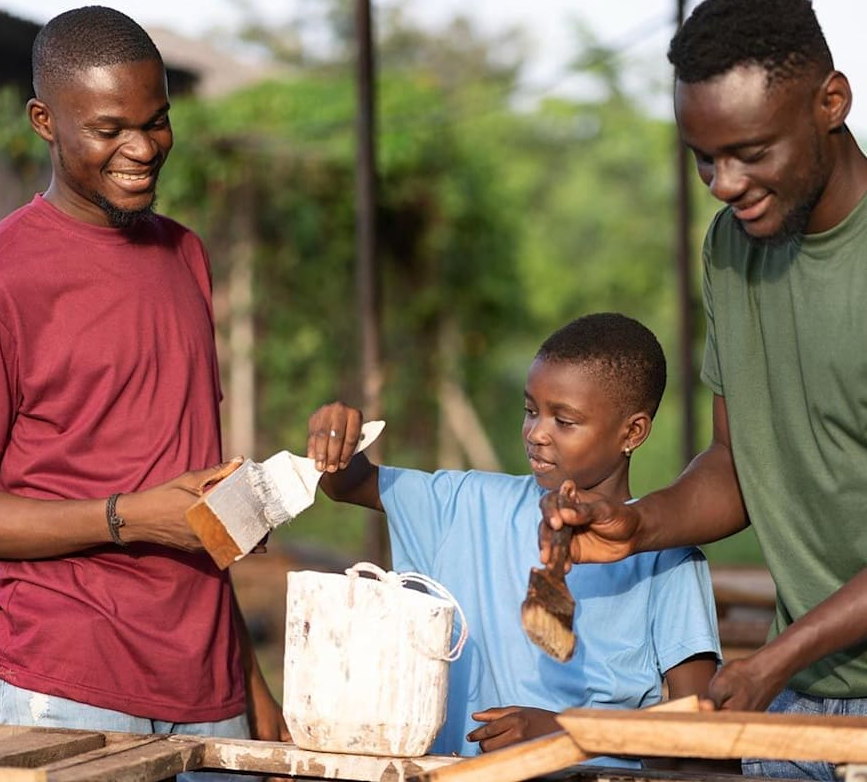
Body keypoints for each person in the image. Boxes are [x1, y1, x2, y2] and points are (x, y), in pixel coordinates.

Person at [541, 0, 867, 778]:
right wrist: (638, 525)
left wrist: (777, 656)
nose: (722, 183)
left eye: (751, 153)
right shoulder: (731, 248)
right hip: (804, 678)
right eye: (704, 157)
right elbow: (736, 464)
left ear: (831, 101)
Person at [0, 6, 290, 750]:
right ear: (44, 121)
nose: (142, 148)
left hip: (205, 678)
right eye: (110, 129)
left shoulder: (186, 255)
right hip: (64, 678)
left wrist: (252, 686)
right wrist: (126, 517)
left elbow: (181, 490)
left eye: (157, 122)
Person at [308, 313, 722, 766]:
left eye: (564, 421)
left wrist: (568, 733)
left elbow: (701, 727)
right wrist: (336, 437)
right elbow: (348, 484)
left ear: (632, 432)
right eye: (530, 410)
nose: (536, 433)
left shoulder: (667, 557)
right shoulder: (467, 505)